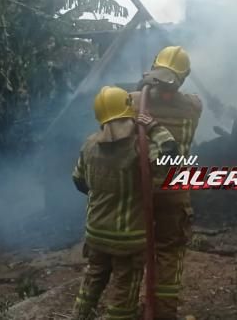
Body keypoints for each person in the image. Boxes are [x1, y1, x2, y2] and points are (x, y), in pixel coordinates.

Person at [73, 86, 177, 320]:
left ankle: (79, 316)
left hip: (96, 233)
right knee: (124, 289)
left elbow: (78, 181)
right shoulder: (140, 147)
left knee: (92, 279)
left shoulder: (89, 145)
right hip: (129, 239)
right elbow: (172, 158)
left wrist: (104, 196)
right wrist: (155, 127)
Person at [131, 46, 203, 320]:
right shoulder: (194, 106)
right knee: (169, 253)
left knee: (136, 251)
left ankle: (134, 307)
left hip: (141, 190)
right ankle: (165, 312)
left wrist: (145, 84)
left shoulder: (136, 101)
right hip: (174, 191)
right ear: (184, 77)